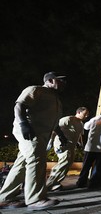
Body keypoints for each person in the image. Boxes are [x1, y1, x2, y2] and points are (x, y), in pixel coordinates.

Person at [0, 72, 67, 211]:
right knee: (37, 158)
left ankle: (5, 198)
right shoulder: (36, 89)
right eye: (60, 80)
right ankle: (35, 199)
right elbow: (19, 105)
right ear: (50, 80)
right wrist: (24, 123)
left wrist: (61, 135)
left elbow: (54, 123)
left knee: (22, 164)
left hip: (43, 134)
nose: (64, 83)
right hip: (30, 130)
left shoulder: (56, 100)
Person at [46, 107, 89, 191]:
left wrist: (81, 144)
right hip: (62, 144)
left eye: (87, 114)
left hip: (71, 146)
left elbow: (80, 135)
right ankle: (49, 183)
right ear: (78, 112)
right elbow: (55, 129)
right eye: (85, 114)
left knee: (68, 164)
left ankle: (56, 182)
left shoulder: (81, 124)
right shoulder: (68, 119)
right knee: (64, 161)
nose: (86, 116)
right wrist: (50, 141)